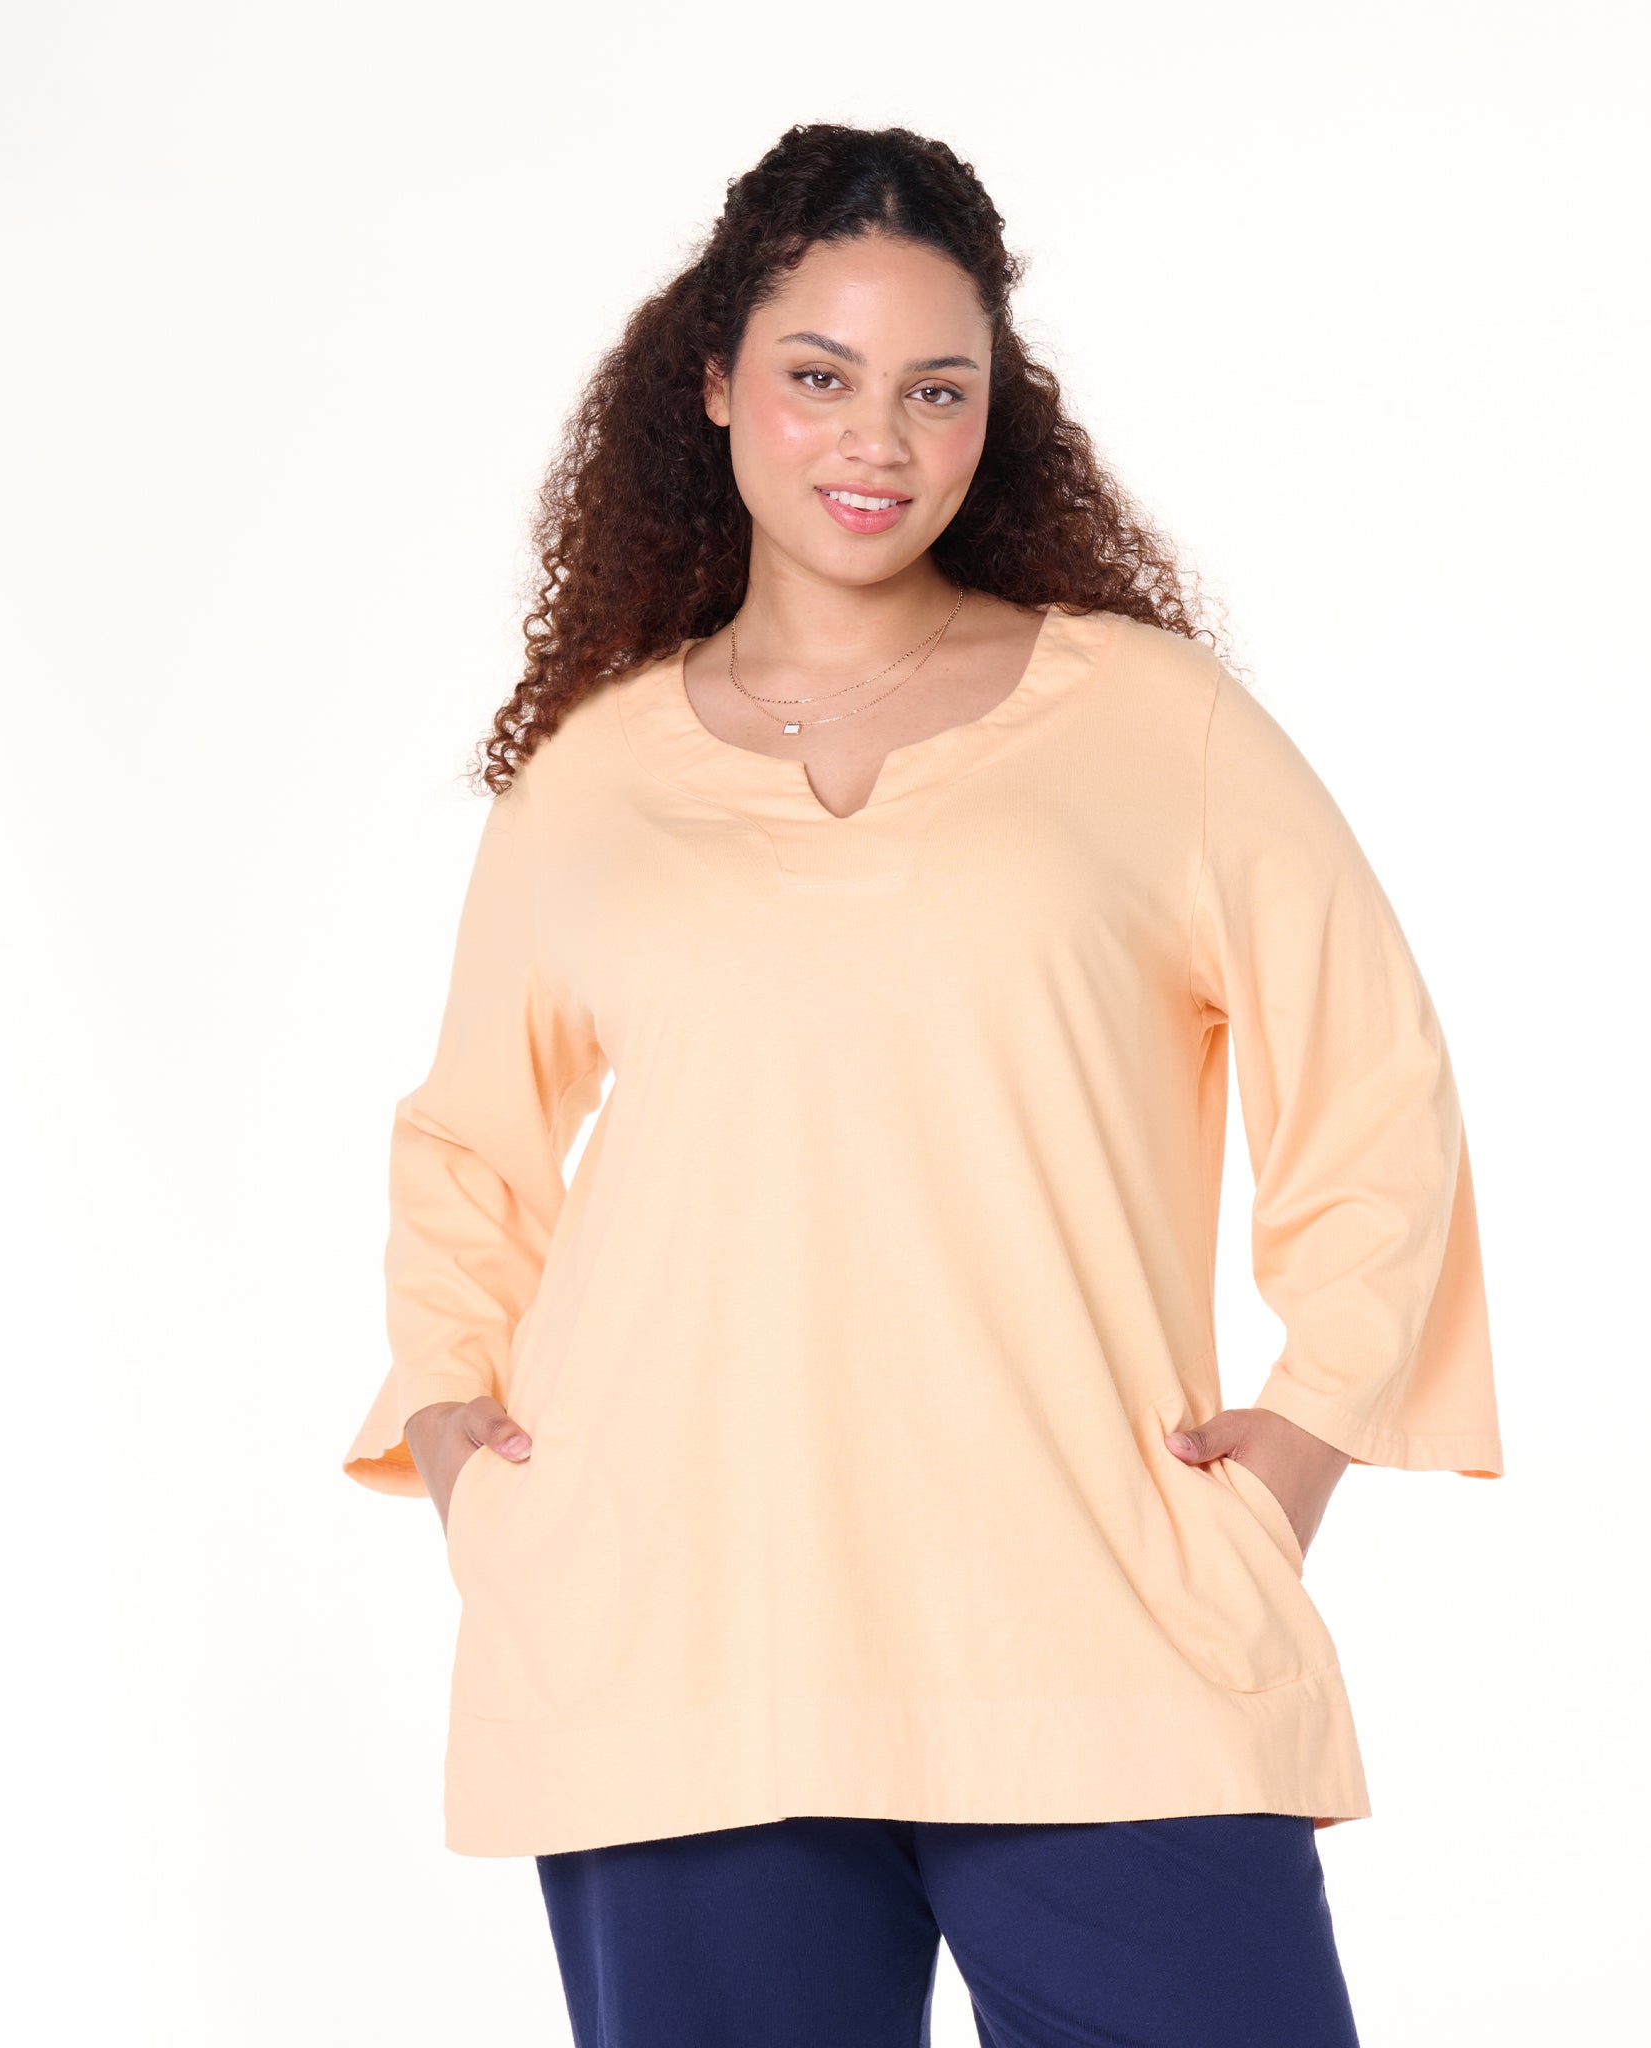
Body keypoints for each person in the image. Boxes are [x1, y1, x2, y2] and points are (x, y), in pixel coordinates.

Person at [341, 121, 1504, 2048]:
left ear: (990, 414)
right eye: (820, 376)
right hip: (677, 1643)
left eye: (934, 389)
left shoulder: (1152, 723)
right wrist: (459, 1440)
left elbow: (1376, 1081)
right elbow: (470, 1146)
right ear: (716, 382)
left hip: (1099, 1626)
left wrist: (1307, 1435)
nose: (875, 439)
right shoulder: (595, 776)